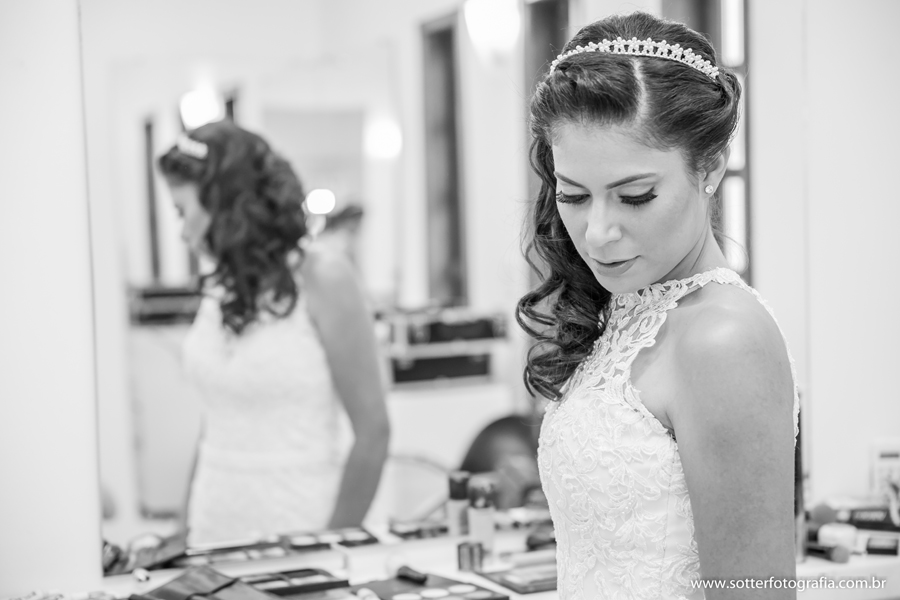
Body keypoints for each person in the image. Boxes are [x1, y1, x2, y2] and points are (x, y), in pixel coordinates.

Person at [516, 12, 799, 599]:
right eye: (572, 195)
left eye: (636, 197)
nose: (597, 233)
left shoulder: (722, 339)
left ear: (711, 166)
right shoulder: (629, 311)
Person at [158, 119, 390, 545]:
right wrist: (181, 529)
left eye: (182, 211)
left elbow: (373, 433)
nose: (182, 232)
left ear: (225, 206)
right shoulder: (221, 286)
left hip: (299, 524)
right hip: (213, 524)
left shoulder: (325, 278)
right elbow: (216, 416)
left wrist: (323, 551)